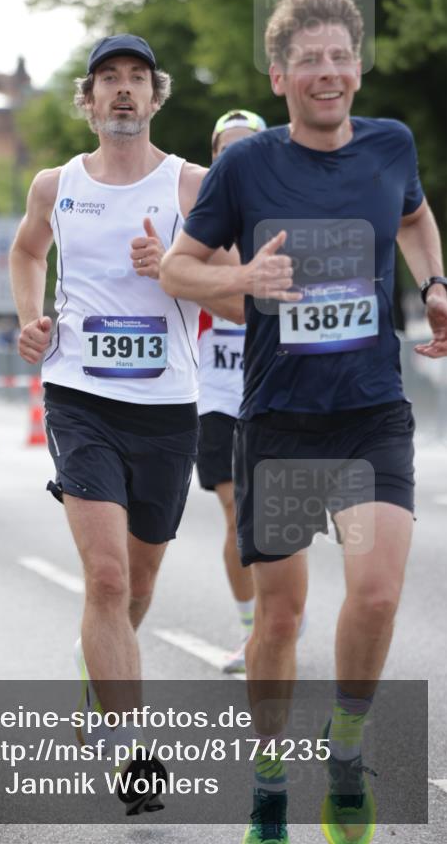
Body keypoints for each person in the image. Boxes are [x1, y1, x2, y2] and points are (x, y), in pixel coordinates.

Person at [160, 0, 447, 844]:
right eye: (308, 61)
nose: (327, 74)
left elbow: (414, 214)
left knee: (376, 590)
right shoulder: (245, 167)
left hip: (369, 412)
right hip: (280, 421)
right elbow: (179, 269)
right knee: (278, 618)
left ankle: (348, 753)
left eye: (339, 58)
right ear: (280, 76)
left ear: (355, 68)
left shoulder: (390, 143)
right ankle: (268, 782)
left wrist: (433, 282)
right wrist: (238, 281)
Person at [10, 34, 248, 814]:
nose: (121, 91)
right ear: (87, 100)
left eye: (135, 80)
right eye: (106, 79)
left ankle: (99, 670)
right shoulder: (56, 184)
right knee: (106, 576)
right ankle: (127, 752)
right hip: (78, 397)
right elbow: (25, 250)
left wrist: (175, 272)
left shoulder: (192, 186)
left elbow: (240, 296)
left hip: (168, 407)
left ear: (155, 98)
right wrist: (30, 318)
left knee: (136, 585)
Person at [196, 110, 266, 674]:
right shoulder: (196, 222)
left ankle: (277, 616)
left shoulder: (289, 216)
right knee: (236, 512)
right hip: (217, 391)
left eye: (249, 146)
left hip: (276, 390)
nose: (236, 157)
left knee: (271, 518)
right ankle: (253, 631)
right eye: (227, 149)